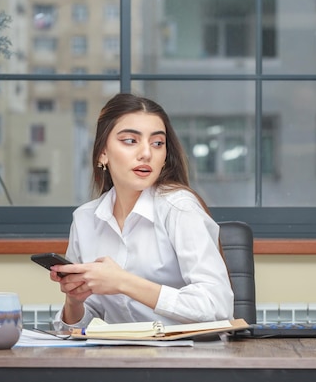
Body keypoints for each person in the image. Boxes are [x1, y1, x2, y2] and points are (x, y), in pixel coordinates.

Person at [52, 93, 234, 329]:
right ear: (102, 153)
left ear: (165, 157)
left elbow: (217, 307)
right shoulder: (85, 219)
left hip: (188, 357)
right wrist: (74, 302)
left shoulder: (179, 208)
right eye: (130, 140)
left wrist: (123, 282)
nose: (146, 153)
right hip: (120, 359)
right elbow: (82, 326)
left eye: (157, 143)